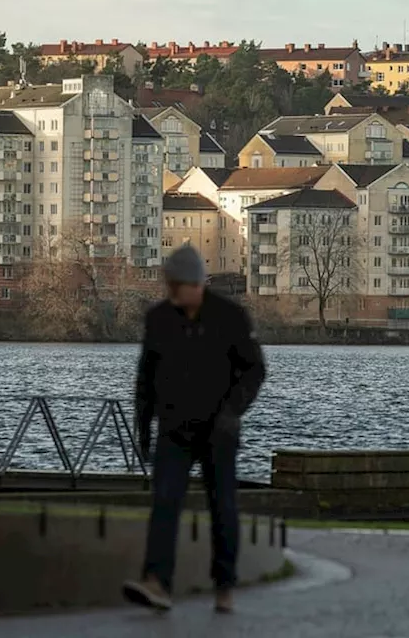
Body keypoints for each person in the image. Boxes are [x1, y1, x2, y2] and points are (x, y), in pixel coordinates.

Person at [122, 244, 266, 614]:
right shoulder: (159, 319)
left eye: (177, 287)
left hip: (219, 430)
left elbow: (254, 369)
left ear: (196, 284)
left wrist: (232, 412)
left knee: (222, 506)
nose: (172, 295)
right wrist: (142, 427)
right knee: (165, 502)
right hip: (174, 429)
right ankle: (156, 581)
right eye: (169, 287)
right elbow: (145, 377)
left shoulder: (229, 317)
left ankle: (224, 586)